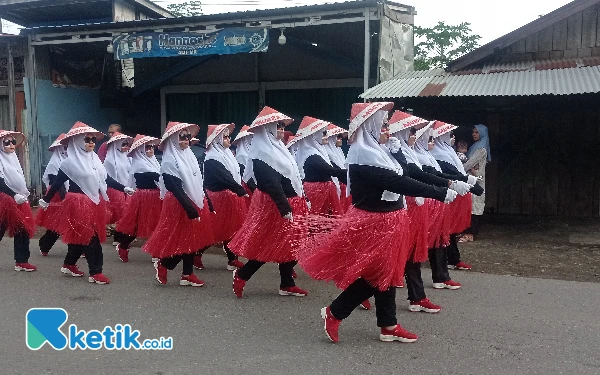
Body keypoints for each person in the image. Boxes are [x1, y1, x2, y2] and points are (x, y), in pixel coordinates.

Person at [299, 102, 457, 343]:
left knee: (389, 273)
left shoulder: (378, 152)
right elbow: (397, 183)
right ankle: (336, 311)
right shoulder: (364, 154)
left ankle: (388, 324)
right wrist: (438, 191)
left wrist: (397, 152)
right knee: (378, 275)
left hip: (390, 220)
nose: (387, 130)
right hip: (375, 223)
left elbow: (404, 173)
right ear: (370, 127)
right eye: (383, 125)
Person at [387, 111, 471, 310]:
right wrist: (444, 188)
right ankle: (364, 288)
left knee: (413, 250)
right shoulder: (395, 152)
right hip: (404, 205)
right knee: (405, 251)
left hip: (414, 203)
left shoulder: (409, 152)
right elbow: (417, 175)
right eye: (411, 131)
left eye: (416, 132)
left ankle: (417, 295)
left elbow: (425, 173)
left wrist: (451, 184)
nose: (414, 135)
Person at [229, 106, 309, 298]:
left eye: (282, 126)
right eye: (278, 126)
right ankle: (242, 274)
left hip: (291, 202)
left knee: (291, 245)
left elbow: (294, 177)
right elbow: (270, 184)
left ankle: (287, 283)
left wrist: (303, 198)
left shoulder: (280, 149)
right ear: (268, 129)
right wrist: (284, 208)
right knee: (270, 244)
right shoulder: (261, 154)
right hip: (277, 205)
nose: (281, 130)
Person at [39, 121, 123, 284]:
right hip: (76, 203)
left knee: (81, 235)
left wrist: (124, 188)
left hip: (94, 202)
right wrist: (46, 200)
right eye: (87, 140)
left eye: (93, 140)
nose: (91, 142)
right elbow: (57, 183)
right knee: (91, 236)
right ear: (77, 141)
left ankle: (69, 264)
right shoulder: (68, 163)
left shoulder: (95, 160)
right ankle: (95, 272)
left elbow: (106, 179)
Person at [143, 122, 214, 287]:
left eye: (188, 136)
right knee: (183, 238)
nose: (186, 140)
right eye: (182, 137)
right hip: (179, 203)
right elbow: (174, 187)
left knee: (192, 239)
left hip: (193, 200)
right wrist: (190, 209)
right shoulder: (169, 161)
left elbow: (198, 181)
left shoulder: (189, 156)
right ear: (174, 139)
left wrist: (207, 202)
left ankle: (187, 274)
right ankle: (166, 264)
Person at [429, 120, 484, 272]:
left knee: (450, 230)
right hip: (445, 194)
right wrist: (468, 182)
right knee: (445, 230)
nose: (451, 138)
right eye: (448, 135)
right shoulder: (437, 153)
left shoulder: (446, 150)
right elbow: (449, 173)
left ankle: (453, 259)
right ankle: (446, 263)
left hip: (453, 193)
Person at [196, 124, 247, 271]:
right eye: (224, 137)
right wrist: (239, 189)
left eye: (228, 136)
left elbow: (235, 174)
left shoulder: (227, 154)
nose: (228, 139)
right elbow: (224, 177)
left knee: (231, 230)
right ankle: (197, 253)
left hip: (229, 196)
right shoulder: (212, 158)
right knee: (214, 230)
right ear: (217, 140)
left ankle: (232, 259)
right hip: (217, 198)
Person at [114, 134, 162, 262]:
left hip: (155, 197)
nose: (151, 150)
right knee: (137, 225)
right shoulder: (140, 163)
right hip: (144, 197)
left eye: (152, 147)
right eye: (147, 147)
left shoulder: (153, 161)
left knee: (156, 224)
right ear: (141, 149)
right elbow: (158, 177)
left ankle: (155, 250)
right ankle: (123, 245)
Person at [288, 116, 345, 216]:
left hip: (322, 192)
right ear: (314, 135)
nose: (327, 135)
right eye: (324, 133)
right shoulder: (311, 155)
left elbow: (335, 169)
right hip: (316, 193)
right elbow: (331, 170)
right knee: (317, 221)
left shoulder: (320, 153)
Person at [0, 130, 37, 272]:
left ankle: (22, 261)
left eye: (13, 141)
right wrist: (13, 194)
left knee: (22, 229)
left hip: (19, 199)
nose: (11, 144)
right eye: (6, 142)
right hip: (4, 200)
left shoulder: (13, 158)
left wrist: (21, 194)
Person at [37, 133, 68, 256]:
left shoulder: (69, 160)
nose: (67, 149)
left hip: (69, 193)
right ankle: (45, 244)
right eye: (64, 147)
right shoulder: (54, 163)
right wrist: (65, 197)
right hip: (57, 194)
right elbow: (56, 183)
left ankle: (80, 247)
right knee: (57, 223)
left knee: (73, 221)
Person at [461, 125, 490, 242]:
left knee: (475, 207)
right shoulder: (474, 147)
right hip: (472, 177)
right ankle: (467, 231)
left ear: (482, 134)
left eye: (477, 132)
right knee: (470, 206)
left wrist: (459, 169)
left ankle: (471, 233)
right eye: (473, 132)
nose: (474, 134)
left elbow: (469, 164)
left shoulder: (481, 149)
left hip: (477, 178)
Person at [104, 132, 135, 227]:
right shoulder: (109, 160)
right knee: (119, 213)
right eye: (123, 144)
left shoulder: (128, 157)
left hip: (129, 188)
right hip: (115, 190)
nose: (126, 147)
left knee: (127, 212)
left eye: (127, 144)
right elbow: (108, 178)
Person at [323, 124, 350, 212]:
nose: (341, 138)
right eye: (338, 136)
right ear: (331, 138)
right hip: (335, 192)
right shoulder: (327, 155)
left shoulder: (339, 152)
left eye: (341, 137)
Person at [232, 125, 256, 197]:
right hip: (248, 189)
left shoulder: (250, 153)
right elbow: (248, 178)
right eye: (251, 137)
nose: (252, 139)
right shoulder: (241, 156)